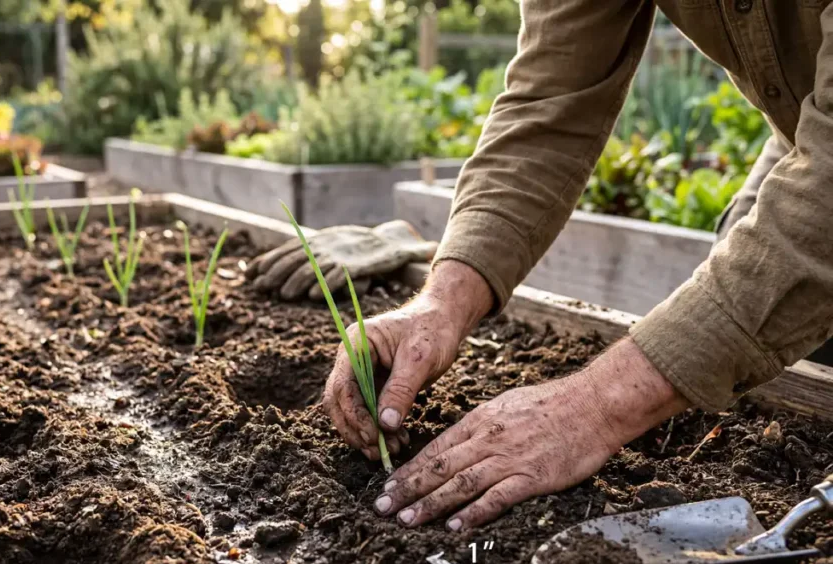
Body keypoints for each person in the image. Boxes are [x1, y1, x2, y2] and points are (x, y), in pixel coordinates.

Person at [252, 2, 833, 531]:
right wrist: (442, 300)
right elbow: (549, 103)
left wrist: (595, 405)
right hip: (805, 123)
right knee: (772, 314)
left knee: (785, 303)